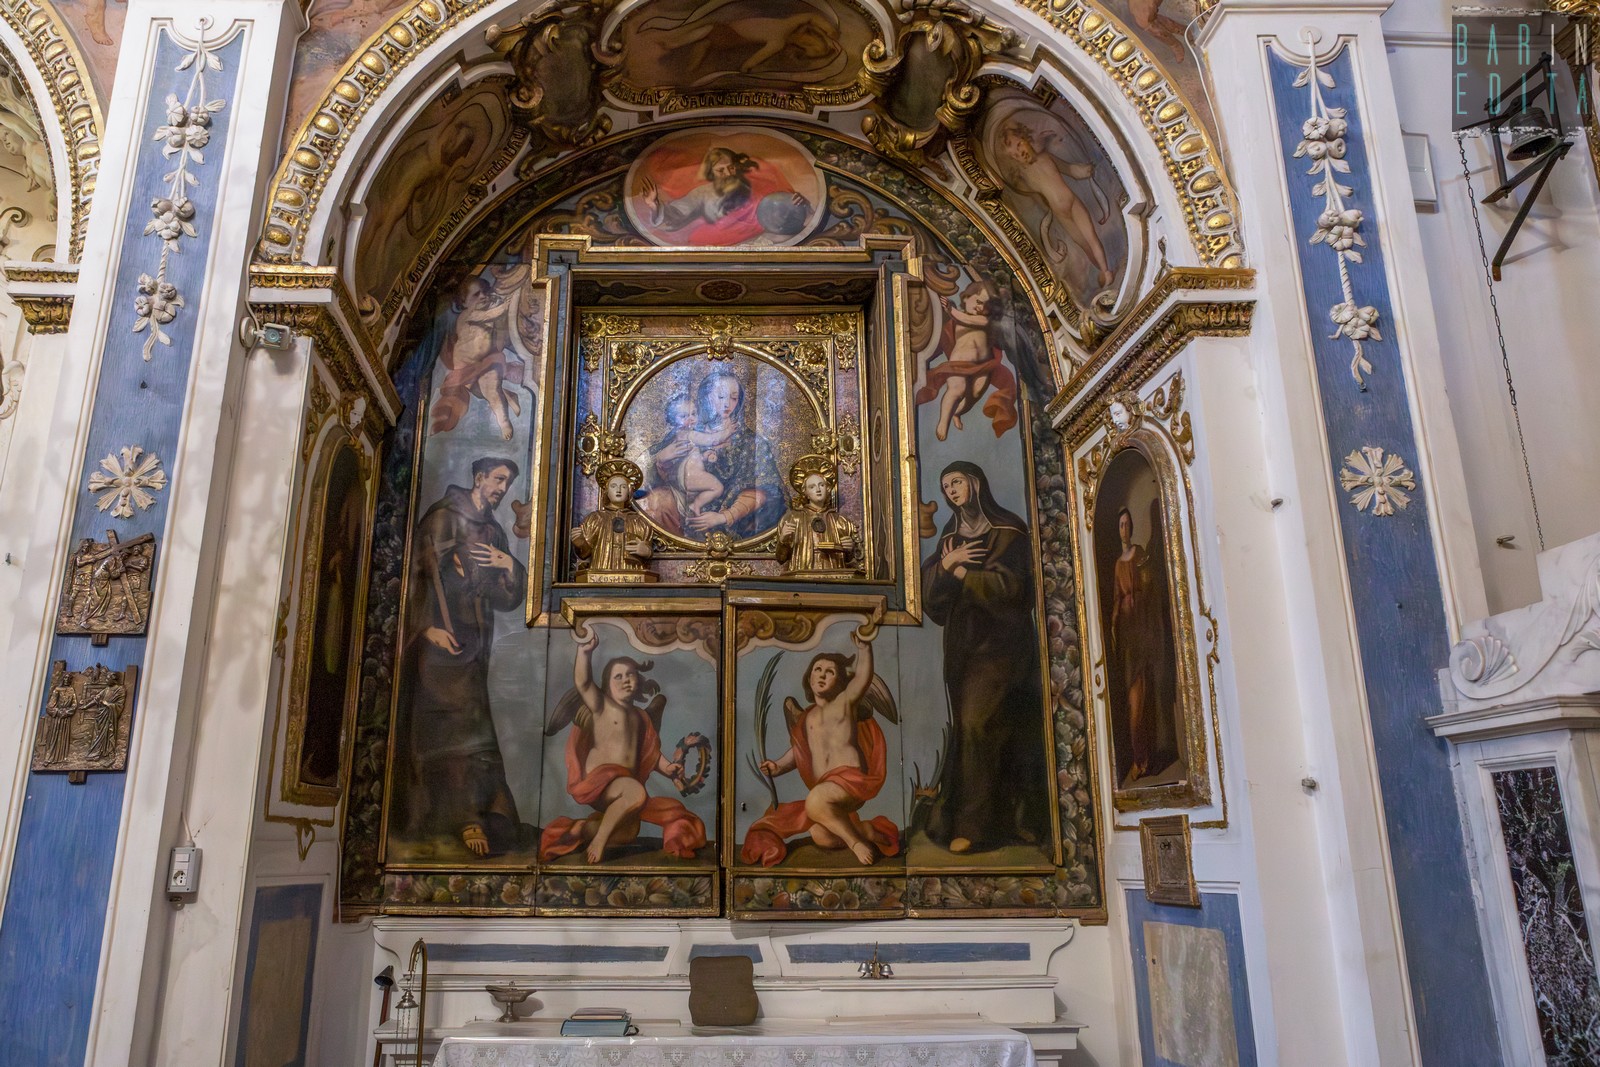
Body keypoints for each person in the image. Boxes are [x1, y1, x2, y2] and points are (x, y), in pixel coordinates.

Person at [919, 461, 1050, 854]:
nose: (951, 491)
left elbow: (1015, 590)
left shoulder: (1009, 531)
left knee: (979, 725)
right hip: (963, 647)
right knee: (972, 730)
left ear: (975, 483)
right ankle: (997, 820)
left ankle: (974, 827)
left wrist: (963, 575)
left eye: (956, 482)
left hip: (1003, 647)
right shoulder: (951, 536)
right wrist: (946, 565)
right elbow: (933, 601)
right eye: (946, 486)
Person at [400, 456, 527, 857]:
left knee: (474, 730)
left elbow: (504, 598)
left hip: (473, 647)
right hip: (437, 648)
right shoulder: (442, 519)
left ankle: (478, 811)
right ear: (479, 477)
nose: (502, 489)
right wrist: (427, 629)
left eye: (507, 483)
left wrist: (510, 565)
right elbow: (414, 579)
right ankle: (460, 817)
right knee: (444, 732)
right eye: (498, 480)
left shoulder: (492, 531)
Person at [541, 630, 707, 863]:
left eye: (630, 675)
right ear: (607, 685)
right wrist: (584, 652)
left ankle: (582, 830)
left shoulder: (641, 717)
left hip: (625, 782)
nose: (626, 679)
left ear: (638, 681)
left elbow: (649, 753)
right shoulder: (602, 706)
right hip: (600, 781)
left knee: (627, 833)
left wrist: (668, 768)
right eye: (618, 676)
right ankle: (599, 841)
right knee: (635, 793)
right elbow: (583, 683)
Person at [741, 631, 900, 866]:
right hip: (827, 789)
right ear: (809, 677)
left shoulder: (844, 704)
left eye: (830, 672)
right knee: (821, 835)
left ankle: (856, 843)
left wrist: (864, 649)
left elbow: (862, 679)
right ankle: (865, 831)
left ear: (841, 681)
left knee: (814, 802)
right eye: (818, 669)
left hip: (850, 781)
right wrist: (778, 766)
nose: (822, 675)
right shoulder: (807, 718)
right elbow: (800, 753)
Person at [639, 369, 785, 540]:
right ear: (705, 398)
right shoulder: (687, 432)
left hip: (732, 515)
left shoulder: (751, 442)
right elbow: (645, 475)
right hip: (682, 509)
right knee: (658, 500)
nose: (727, 404)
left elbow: (767, 489)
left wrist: (725, 516)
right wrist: (661, 458)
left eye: (733, 398)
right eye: (720, 396)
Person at [996, 121, 1114, 289]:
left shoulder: (1046, 157)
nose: (1020, 152)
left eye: (1020, 144)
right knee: (1083, 243)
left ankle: (1105, 270)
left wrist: (1084, 170)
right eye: (1015, 154)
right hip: (1061, 212)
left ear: (1026, 138)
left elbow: (1070, 170)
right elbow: (1030, 196)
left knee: (1091, 237)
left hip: (1072, 202)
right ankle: (1102, 271)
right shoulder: (1024, 176)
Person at [636, 145, 810, 245]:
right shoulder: (702, 193)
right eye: (721, 170)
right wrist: (654, 206)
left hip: (764, 241)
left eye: (731, 167)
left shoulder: (756, 184)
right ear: (712, 173)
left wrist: (799, 203)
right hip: (729, 245)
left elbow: (784, 206)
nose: (728, 173)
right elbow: (676, 215)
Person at [915, 280, 1019, 441]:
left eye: (987, 306)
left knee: (976, 393)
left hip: (983, 366)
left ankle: (957, 412)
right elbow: (952, 324)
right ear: (965, 298)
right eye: (978, 302)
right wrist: (948, 309)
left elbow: (966, 319)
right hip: (959, 364)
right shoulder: (954, 322)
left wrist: (951, 310)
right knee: (956, 390)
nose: (980, 308)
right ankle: (943, 421)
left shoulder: (984, 321)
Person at [1110, 505, 1171, 783]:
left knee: (1142, 699)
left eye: (1127, 524)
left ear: (1132, 527)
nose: (1125, 529)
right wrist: (1114, 624)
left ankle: (1143, 760)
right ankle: (1140, 758)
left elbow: (1151, 586)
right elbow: (1115, 598)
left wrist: (1141, 598)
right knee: (1131, 699)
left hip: (1141, 628)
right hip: (1126, 633)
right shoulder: (1117, 564)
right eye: (1121, 525)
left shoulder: (1141, 554)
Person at [431, 276, 526, 440]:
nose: (482, 296)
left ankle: (503, 421)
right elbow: (495, 313)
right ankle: (507, 397)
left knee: (491, 390)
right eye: (476, 294)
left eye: (485, 292)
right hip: (464, 364)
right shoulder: (468, 315)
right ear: (464, 302)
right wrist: (509, 301)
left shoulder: (486, 313)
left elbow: (498, 326)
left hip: (486, 360)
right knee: (481, 389)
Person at [572, 458, 657, 582]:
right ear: (606, 492)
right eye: (613, 486)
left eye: (623, 487)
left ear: (629, 492)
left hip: (632, 574)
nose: (618, 490)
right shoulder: (594, 519)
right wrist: (580, 543)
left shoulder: (640, 522)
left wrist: (646, 552)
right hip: (600, 572)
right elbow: (585, 554)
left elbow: (647, 549)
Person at [774, 455, 859, 575]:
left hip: (833, 576)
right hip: (803, 575)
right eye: (812, 487)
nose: (818, 489)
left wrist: (849, 550)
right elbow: (781, 559)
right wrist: (783, 540)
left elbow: (850, 561)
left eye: (821, 485)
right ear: (805, 492)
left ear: (827, 488)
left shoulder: (841, 521)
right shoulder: (793, 518)